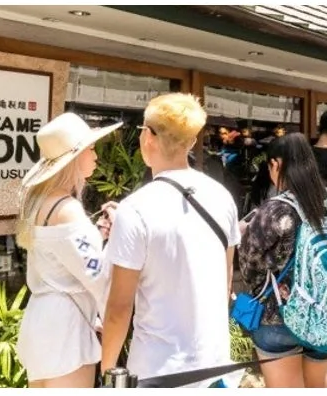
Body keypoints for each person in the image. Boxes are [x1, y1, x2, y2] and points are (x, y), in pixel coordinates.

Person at [101, 93, 242, 387]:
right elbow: (225, 280)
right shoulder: (222, 197)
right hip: (214, 365)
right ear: (191, 142)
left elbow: (119, 309)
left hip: (158, 369)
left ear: (148, 138)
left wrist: (107, 372)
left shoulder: (136, 209)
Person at [15, 112, 123, 388]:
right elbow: (99, 278)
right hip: (65, 330)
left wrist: (98, 236)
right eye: (90, 148)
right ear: (75, 158)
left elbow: (65, 260)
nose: (96, 155)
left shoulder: (40, 202)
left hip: (41, 320)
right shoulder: (68, 209)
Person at [234, 133, 327, 388]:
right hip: (325, 311)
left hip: (278, 315)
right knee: (316, 387)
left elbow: (249, 270)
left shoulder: (273, 210)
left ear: (276, 164)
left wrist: (243, 236)